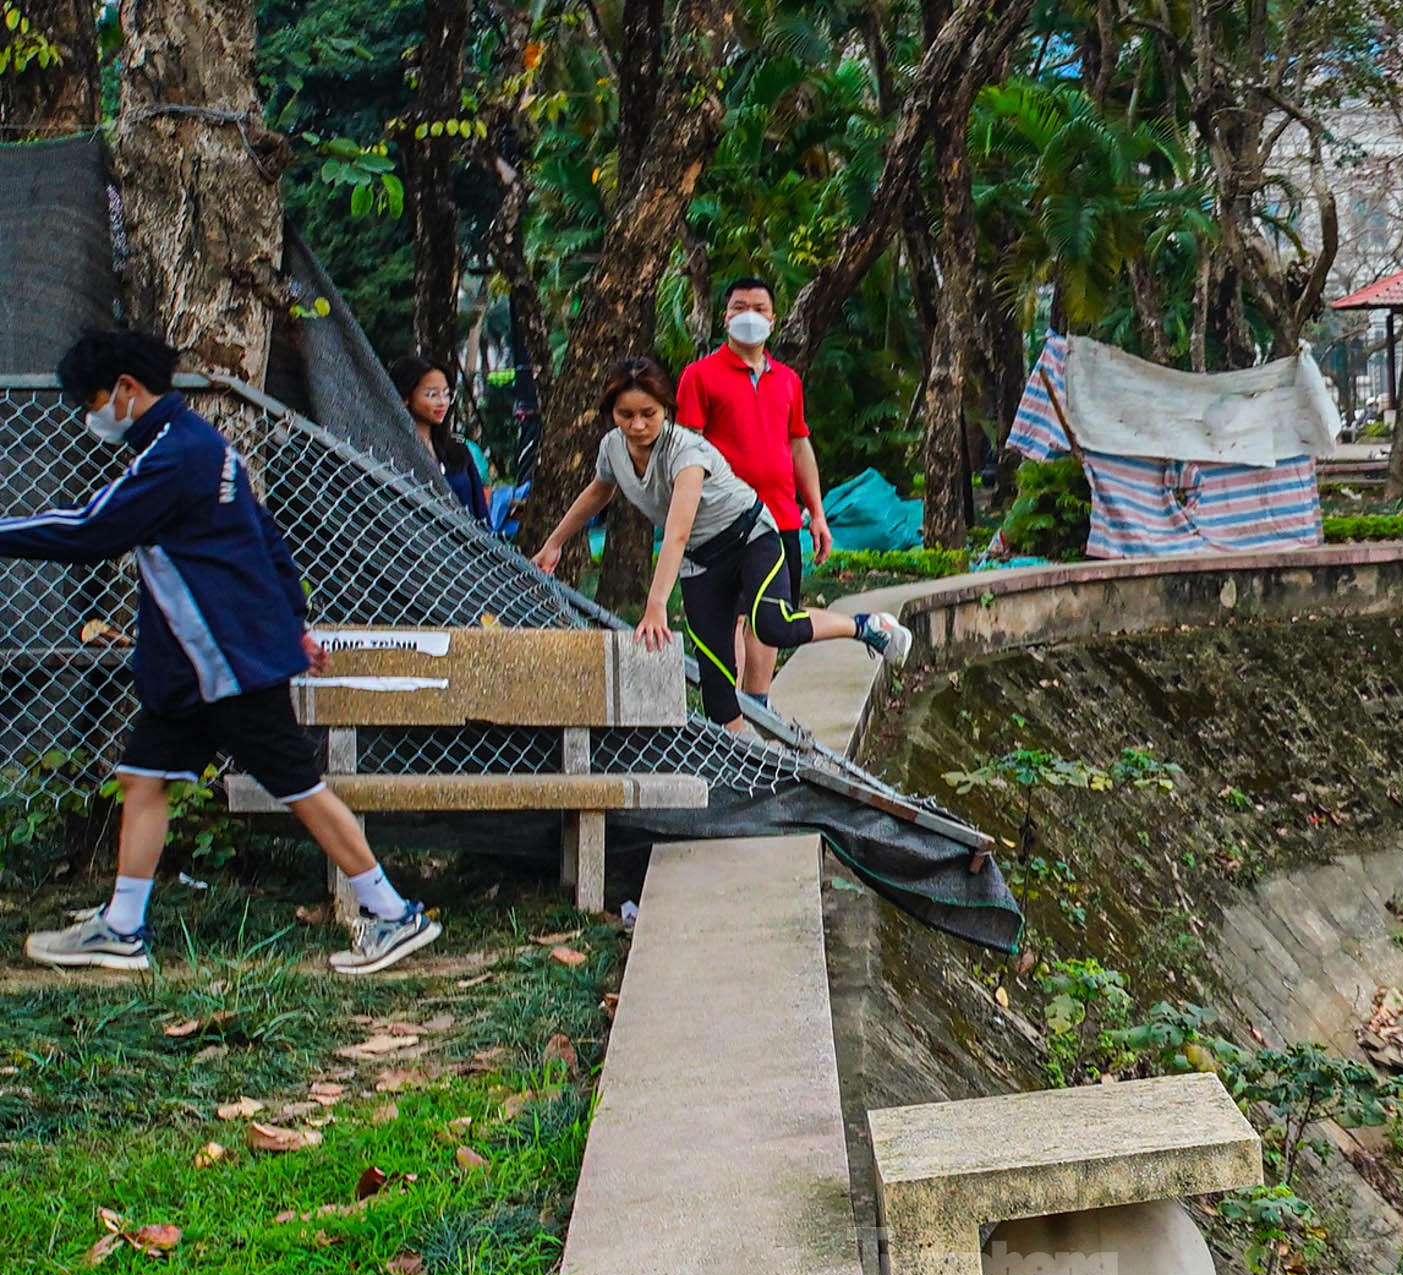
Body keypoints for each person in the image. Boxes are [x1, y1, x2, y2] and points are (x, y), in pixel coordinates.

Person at [6, 328, 441, 974]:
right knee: (145, 779)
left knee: (299, 785)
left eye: (92, 399)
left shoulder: (172, 457)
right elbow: (266, 539)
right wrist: (294, 621)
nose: (90, 414)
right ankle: (122, 926)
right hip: (206, 664)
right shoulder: (202, 446)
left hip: (227, 665)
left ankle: (391, 912)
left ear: (126, 389)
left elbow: (91, 530)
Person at [530, 357, 909, 728]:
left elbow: (676, 533)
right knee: (717, 689)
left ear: (666, 408)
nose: (638, 425)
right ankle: (743, 771)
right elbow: (599, 490)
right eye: (625, 415)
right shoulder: (613, 447)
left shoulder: (686, 452)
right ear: (611, 412)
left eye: (649, 412)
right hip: (702, 561)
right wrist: (555, 543)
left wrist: (656, 605)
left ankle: (866, 626)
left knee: (773, 624)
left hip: (749, 539)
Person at [674, 278, 831, 711]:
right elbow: (688, 447)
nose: (749, 315)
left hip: (780, 517)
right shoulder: (699, 376)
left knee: (772, 616)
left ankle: (759, 707)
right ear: (724, 317)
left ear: (773, 318)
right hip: (724, 522)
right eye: (739, 306)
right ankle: (730, 717)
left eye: (759, 307)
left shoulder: (787, 381)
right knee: (731, 616)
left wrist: (815, 512)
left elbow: (799, 444)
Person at [389, 355, 490, 528]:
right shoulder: (389, 452)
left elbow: (481, 513)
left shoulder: (459, 452)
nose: (442, 402)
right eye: (432, 394)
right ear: (405, 397)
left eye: (446, 394)